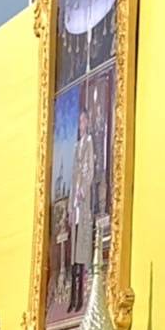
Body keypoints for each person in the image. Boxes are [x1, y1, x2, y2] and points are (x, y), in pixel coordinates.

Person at [70, 104, 96, 312]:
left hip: (84, 201)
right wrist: (72, 203)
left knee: (82, 249)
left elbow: (89, 171)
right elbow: (73, 176)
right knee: (72, 253)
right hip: (75, 204)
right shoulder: (77, 146)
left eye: (84, 121)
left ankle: (82, 297)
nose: (82, 125)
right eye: (79, 122)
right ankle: (73, 295)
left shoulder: (89, 143)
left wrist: (83, 191)